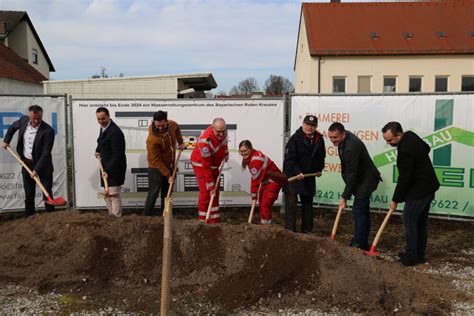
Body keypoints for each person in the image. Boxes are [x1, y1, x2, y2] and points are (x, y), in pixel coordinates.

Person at [382, 121, 440, 266]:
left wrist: (395, 200)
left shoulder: (405, 150)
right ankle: (419, 254)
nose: (388, 143)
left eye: (390, 140)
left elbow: (404, 178)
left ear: (399, 135)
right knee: (420, 222)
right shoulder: (411, 136)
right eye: (386, 140)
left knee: (409, 220)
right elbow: (426, 148)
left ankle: (412, 255)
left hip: (419, 190)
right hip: (429, 187)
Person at [327, 122, 382, 250]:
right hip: (360, 179)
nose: (332, 140)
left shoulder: (350, 148)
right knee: (362, 211)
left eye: (335, 137)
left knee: (359, 210)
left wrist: (344, 197)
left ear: (343, 134)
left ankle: (359, 243)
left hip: (365, 181)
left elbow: (352, 176)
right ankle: (362, 241)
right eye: (330, 137)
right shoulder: (345, 139)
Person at [1, 105, 56, 216]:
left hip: (43, 165)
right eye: (33, 118)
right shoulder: (23, 121)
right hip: (26, 163)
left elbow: (46, 153)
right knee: (29, 193)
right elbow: (12, 127)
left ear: (42, 115)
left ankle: (51, 218)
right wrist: (6, 140)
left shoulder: (48, 131)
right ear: (29, 116)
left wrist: (36, 169)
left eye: (38, 119)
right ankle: (29, 217)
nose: (35, 121)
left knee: (46, 192)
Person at [283, 115, 326, 233]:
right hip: (293, 177)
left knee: (307, 206)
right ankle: (290, 233)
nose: (309, 127)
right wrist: (298, 172)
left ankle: (306, 233)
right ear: (303, 124)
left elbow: (321, 156)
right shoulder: (294, 139)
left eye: (312, 125)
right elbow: (290, 160)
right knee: (291, 206)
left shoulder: (319, 139)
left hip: (308, 177)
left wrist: (319, 169)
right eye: (307, 124)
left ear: (316, 127)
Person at [144, 110, 185, 216]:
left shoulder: (171, 125)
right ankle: (146, 217)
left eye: (162, 125)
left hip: (170, 165)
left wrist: (180, 142)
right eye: (158, 125)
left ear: (166, 121)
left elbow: (177, 128)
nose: (160, 128)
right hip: (155, 168)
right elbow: (156, 160)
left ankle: (166, 215)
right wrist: (168, 175)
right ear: (154, 122)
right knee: (153, 193)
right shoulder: (152, 139)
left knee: (167, 193)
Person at [190, 118, 229, 223]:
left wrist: (225, 153)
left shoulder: (223, 131)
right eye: (218, 132)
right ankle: (203, 220)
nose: (221, 134)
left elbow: (224, 143)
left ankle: (214, 219)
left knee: (215, 192)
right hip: (201, 165)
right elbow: (206, 166)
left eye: (223, 131)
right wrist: (210, 185)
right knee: (206, 192)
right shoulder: (205, 143)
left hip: (214, 165)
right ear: (212, 128)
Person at [239, 140, 286, 224]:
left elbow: (255, 180)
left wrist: (253, 195)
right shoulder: (250, 158)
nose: (243, 153)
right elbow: (255, 177)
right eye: (241, 151)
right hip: (266, 182)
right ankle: (264, 224)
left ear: (250, 148)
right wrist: (254, 195)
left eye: (245, 151)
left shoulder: (256, 159)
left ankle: (266, 227)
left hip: (274, 181)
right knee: (262, 204)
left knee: (265, 204)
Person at [95, 107, 127, 217]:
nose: (101, 121)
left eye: (103, 118)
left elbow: (117, 155)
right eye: (98, 119)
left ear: (108, 116)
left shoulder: (115, 132)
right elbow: (101, 141)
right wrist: (98, 150)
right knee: (107, 194)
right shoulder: (104, 128)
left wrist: (107, 170)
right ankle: (110, 217)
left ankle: (116, 219)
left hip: (114, 168)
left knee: (114, 195)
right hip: (105, 167)